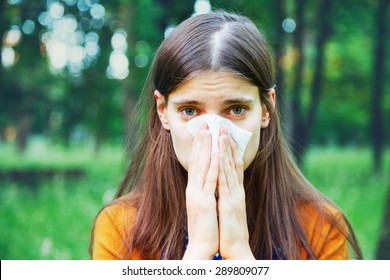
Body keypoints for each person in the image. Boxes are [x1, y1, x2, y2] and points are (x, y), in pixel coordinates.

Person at [89, 11, 362, 260]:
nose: (214, 133)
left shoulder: (320, 228)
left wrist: (239, 254)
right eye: (189, 111)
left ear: (267, 109)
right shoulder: (121, 229)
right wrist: (198, 253)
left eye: (236, 109)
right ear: (163, 111)